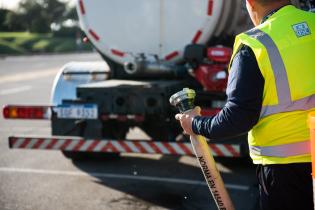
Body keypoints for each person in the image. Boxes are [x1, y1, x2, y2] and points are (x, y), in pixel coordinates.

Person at [175, 0, 315, 209]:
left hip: (284, 168)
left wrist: (195, 124)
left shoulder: (254, 45)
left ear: (250, 3)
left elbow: (237, 118)